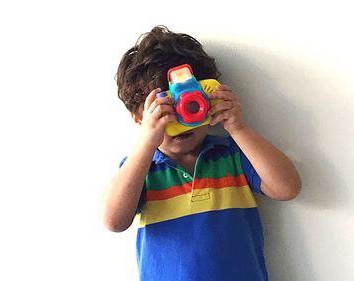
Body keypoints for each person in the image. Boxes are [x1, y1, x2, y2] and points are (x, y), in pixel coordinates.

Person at [99, 26, 302, 281]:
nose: (182, 118)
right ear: (139, 117)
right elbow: (113, 221)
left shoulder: (231, 155)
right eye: (166, 110)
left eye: (190, 103)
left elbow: (288, 188)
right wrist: (146, 143)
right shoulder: (141, 169)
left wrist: (237, 127)